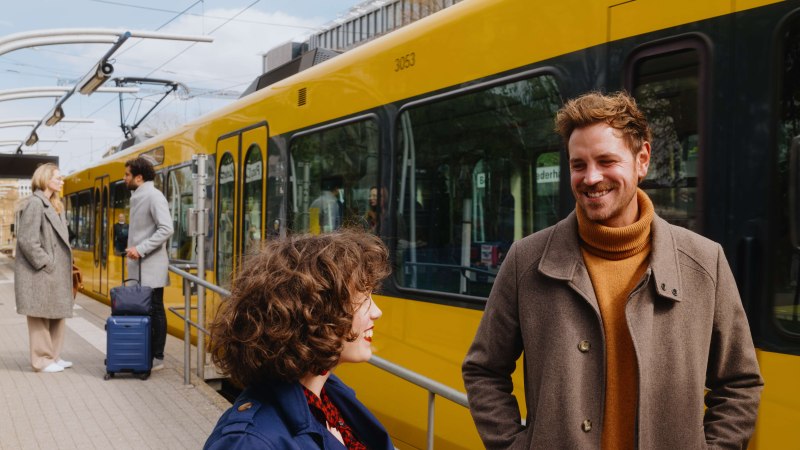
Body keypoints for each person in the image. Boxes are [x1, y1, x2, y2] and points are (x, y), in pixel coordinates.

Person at [462, 91, 763, 450]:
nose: (591, 178)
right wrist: (514, 446)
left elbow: (739, 383)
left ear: (642, 160)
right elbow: (483, 370)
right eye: (578, 165)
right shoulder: (525, 262)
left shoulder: (704, 262)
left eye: (606, 161)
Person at [204, 229, 394, 449]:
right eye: (362, 298)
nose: (377, 312)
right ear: (314, 312)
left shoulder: (329, 397)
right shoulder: (247, 442)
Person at [14, 163, 74, 373]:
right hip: (40, 272)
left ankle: (54, 356)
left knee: (57, 313)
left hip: (54, 272)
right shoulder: (35, 203)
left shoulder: (55, 204)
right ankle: (42, 360)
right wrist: (47, 262)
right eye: (58, 178)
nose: (62, 181)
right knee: (39, 316)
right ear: (45, 179)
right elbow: (27, 240)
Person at [124, 156, 174, 371]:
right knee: (146, 311)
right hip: (140, 267)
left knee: (155, 310)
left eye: (127, 174)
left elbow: (167, 229)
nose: (124, 178)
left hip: (151, 266)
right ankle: (145, 353)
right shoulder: (138, 197)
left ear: (139, 177)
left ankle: (157, 356)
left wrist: (140, 248)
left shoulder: (154, 196)